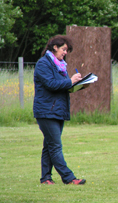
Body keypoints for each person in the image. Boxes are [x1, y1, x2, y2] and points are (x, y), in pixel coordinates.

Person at [33, 35, 87, 185]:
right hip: (46, 111)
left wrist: (78, 84)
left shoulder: (60, 65)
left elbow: (61, 85)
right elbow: (51, 84)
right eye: (64, 49)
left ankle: (45, 178)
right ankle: (68, 178)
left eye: (67, 50)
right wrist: (70, 81)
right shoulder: (43, 64)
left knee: (49, 146)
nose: (65, 53)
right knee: (55, 146)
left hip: (58, 111)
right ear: (54, 47)